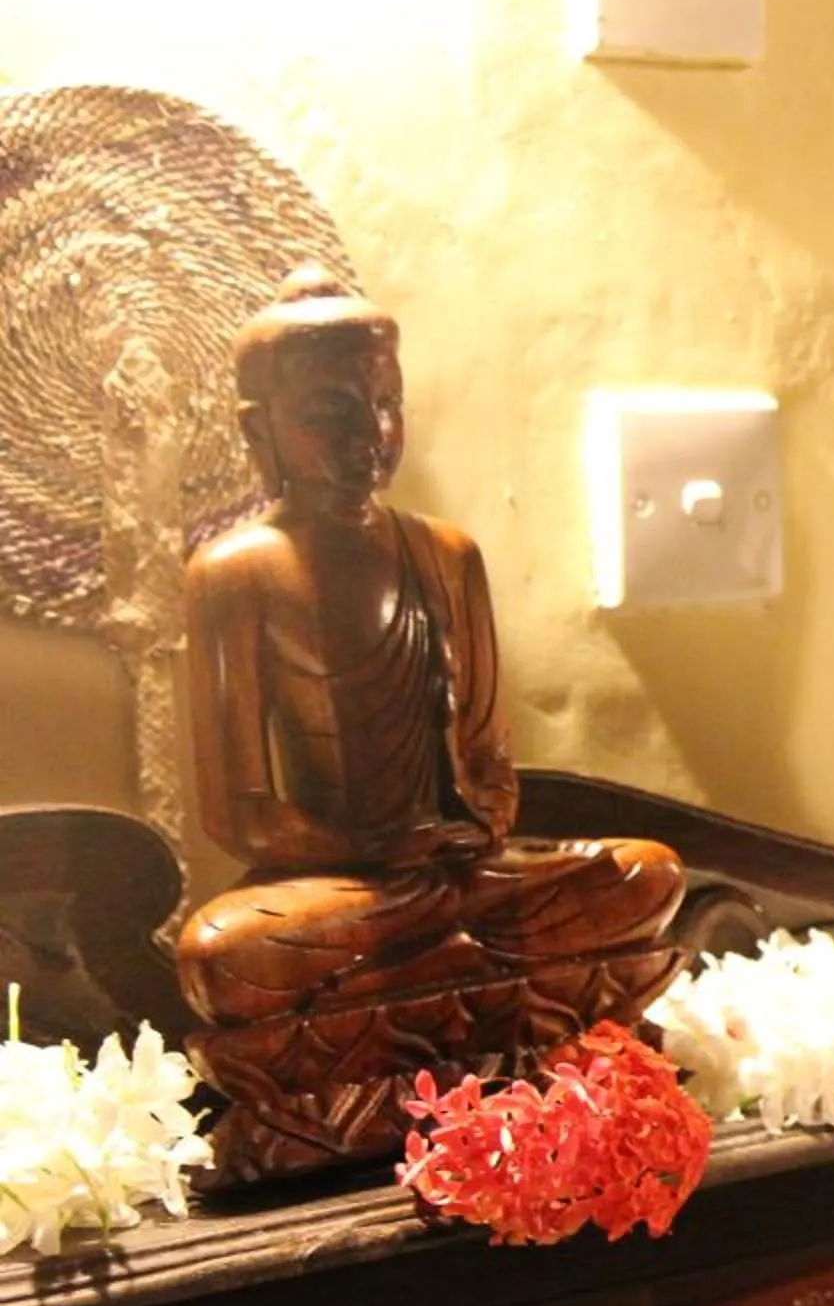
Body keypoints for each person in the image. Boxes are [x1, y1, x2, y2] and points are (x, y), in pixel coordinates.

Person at [176, 269, 682, 1030]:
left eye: (386, 407)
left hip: (458, 876)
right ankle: (478, 988)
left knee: (649, 874)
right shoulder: (236, 574)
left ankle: (434, 983)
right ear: (259, 430)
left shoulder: (448, 557)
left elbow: (488, 760)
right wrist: (369, 845)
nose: (370, 438)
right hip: (345, 890)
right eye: (332, 413)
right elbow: (241, 811)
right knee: (221, 954)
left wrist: (478, 824)